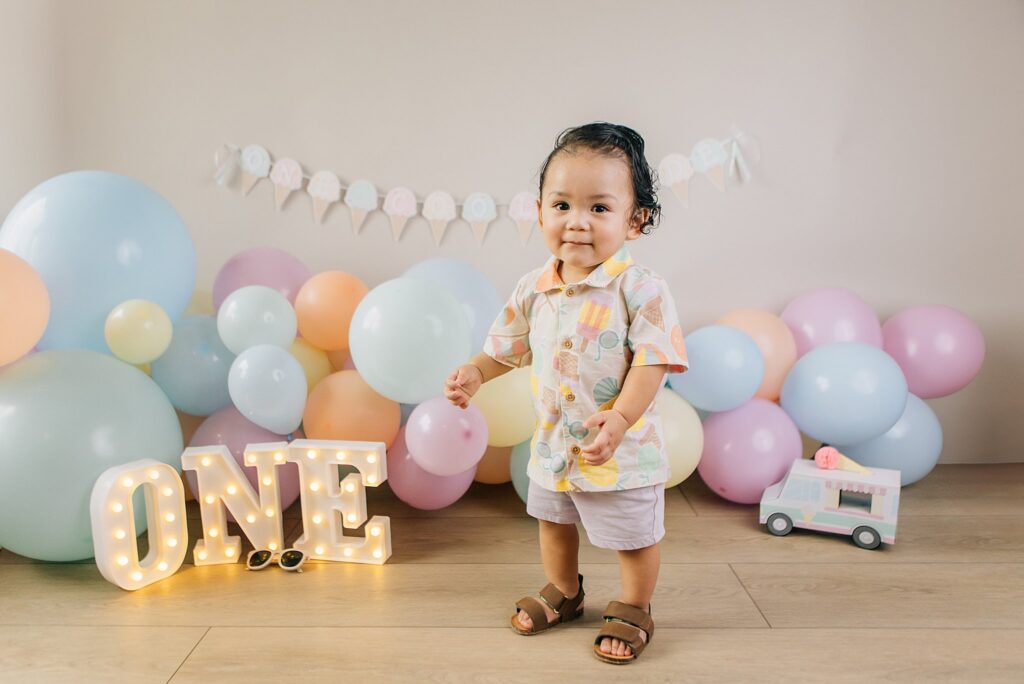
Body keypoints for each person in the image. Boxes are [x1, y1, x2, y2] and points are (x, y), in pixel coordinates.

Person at [444, 122, 688, 664]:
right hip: (555, 443)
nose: (577, 222)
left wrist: (622, 418)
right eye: (562, 205)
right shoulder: (535, 287)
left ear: (636, 220)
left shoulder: (640, 288)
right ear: (539, 212)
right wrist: (477, 373)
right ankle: (565, 590)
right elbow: (508, 346)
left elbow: (653, 361)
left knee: (633, 536)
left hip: (619, 448)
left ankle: (633, 604)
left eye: (599, 208)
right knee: (553, 522)